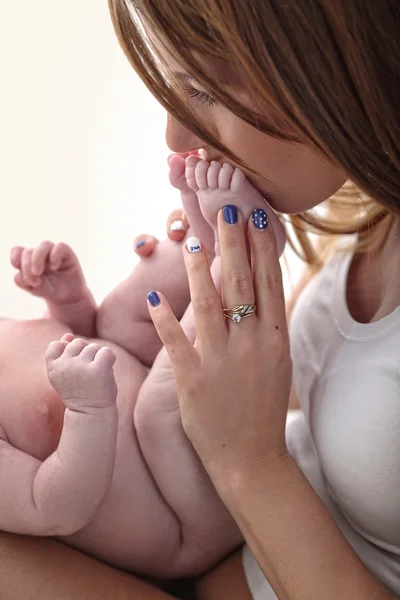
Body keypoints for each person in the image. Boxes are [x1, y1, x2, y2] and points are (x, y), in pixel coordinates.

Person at [0, 0, 398, 598]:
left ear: (337, 67)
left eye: (206, 91)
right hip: (198, 539)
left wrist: (245, 455)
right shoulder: (370, 217)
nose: (175, 135)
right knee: (144, 303)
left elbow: (253, 427)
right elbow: (304, 394)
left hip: (212, 524)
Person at [0, 157, 285, 577]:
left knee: (117, 316)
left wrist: (66, 300)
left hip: (194, 430)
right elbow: (52, 508)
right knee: (156, 407)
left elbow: (84, 339)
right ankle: (242, 251)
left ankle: (208, 236)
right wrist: (88, 411)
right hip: (185, 519)